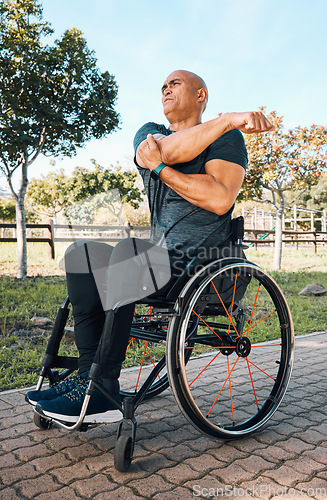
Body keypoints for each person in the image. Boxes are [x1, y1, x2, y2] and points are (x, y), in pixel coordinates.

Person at [26, 70, 274, 423]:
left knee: (131, 250)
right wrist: (224, 122)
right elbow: (166, 151)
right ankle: (87, 378)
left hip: (203, 266)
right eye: (163, 86)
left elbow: (219, 199)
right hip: (159, 262)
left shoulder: (226, 139)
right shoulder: (149, 132)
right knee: (81, 254)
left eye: (176, 84)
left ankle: (104, 385)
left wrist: (162, 167)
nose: (166, 89)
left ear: (201, 95)